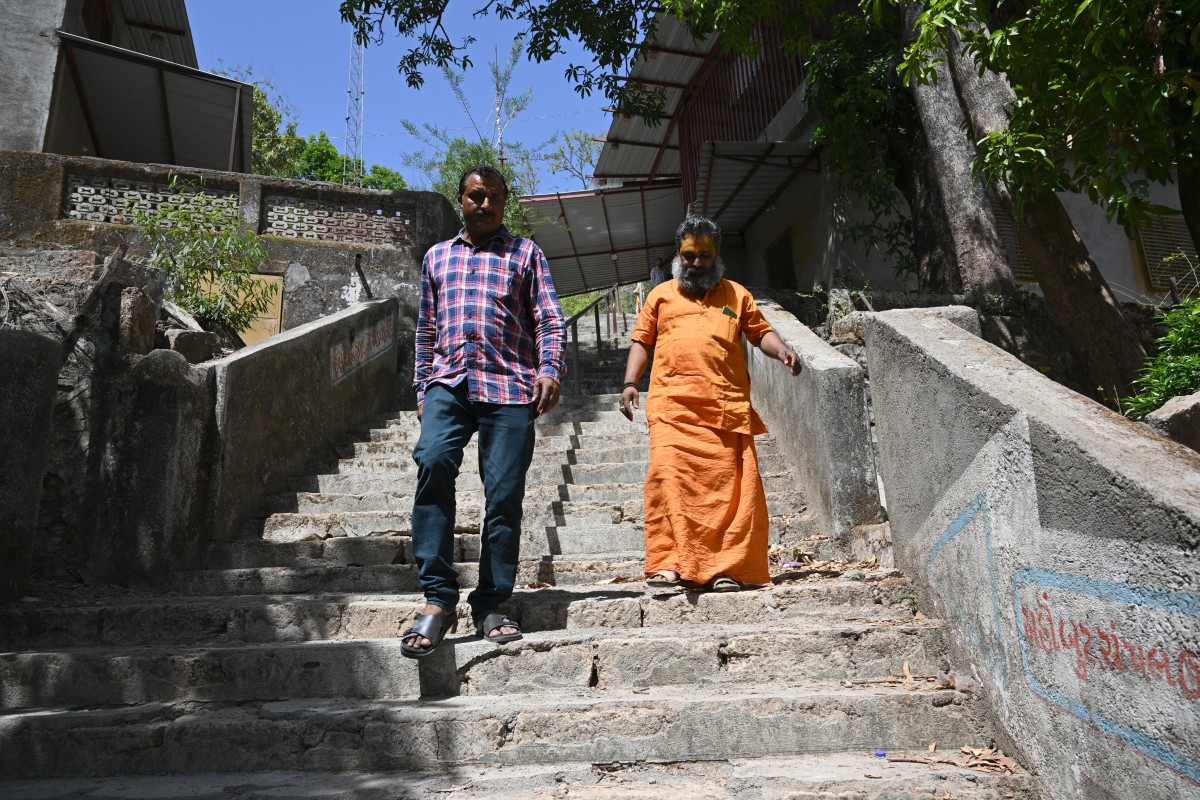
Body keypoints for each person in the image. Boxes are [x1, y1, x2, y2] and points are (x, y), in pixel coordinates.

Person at [401, 164, 567, 659]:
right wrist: (421, 389)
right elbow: (425, 329)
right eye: (476, 196)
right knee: (431, 462)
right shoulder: (437, 257)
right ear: (461, 199)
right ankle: (438, 598)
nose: (485, 204)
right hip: (447, 385)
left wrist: (550, 370)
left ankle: (492, 601)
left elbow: (550, 319)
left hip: (510, 387)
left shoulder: (526, 254)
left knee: (503, 494)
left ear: (503, 203)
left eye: (495, 197)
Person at [619, 216, 801, 592]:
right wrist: (629, 382)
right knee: (666, 480)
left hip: (724, 407)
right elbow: (642, 341)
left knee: (730, 493)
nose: (696, 263)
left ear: (716, 254)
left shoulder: (736, 295)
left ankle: (726, 568)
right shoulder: (660, 296)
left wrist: (781, 350)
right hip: (672, 407)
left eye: (704, 255)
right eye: (689, 255)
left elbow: (760, 332)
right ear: (678, 254)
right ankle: (669, 564)